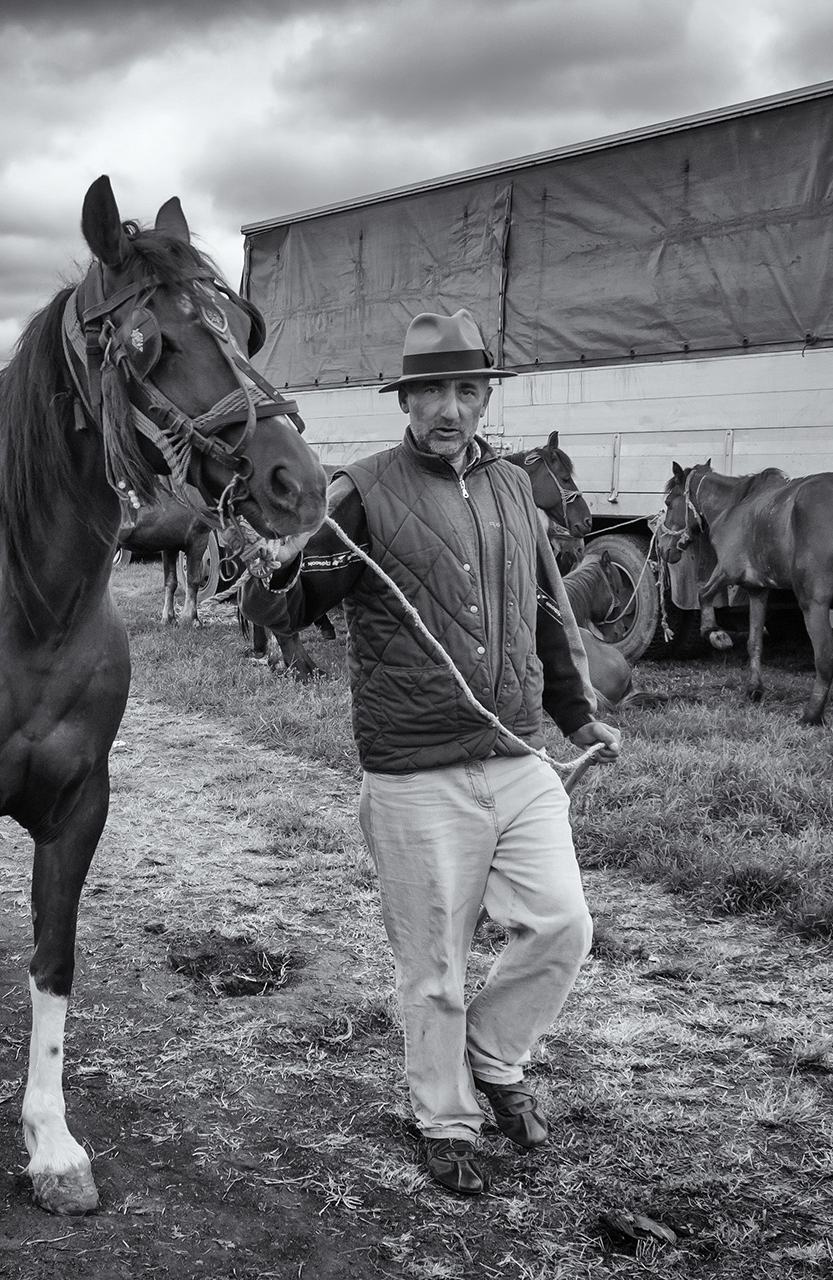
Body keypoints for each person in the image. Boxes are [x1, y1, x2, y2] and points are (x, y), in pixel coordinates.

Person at [244, 310, 620, 1196]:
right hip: (414, 769)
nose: (449, 409)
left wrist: (576, 714)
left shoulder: (513, 491)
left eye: (465, 390)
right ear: (406, 400)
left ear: (483, 395)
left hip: (516, 755)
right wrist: (277, 562)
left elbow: (545, 615)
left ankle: (494, 1055)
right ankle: (446, 1120)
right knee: (436, 969)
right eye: (431, 392)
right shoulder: (364, 492)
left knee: (565, 923)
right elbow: (282, 611)